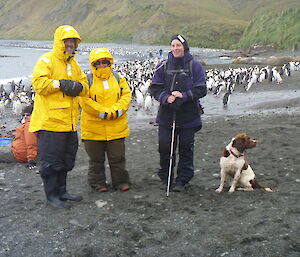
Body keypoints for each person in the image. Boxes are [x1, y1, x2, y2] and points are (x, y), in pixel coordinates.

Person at [29, 25, 89, 208]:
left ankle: (62, 192)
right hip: (50, 122)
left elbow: (85, 85)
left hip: (69, 123)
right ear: (59, 42)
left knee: (66, 160)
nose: (70, 44)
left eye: (73, 41)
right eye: (67, 40)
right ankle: (52, 196)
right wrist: (60, 84)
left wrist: (79, 87)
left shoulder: (74, 64)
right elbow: (38, 84)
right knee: (50, 162)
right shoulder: (46, 60)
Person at [150, 34, 207, 192]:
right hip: (166, 116)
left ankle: (183, 179)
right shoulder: (163, 65)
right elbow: (155, 88)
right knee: (164, 147)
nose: (175, 48)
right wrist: (166, 98)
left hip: (188, 116)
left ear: (184, 47)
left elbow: (201, 89)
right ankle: (166, 176)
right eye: (173, 45)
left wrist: (184, 95)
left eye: (178, 45)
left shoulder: (194, 66)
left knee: (186, 147)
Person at [79, 48, 131, 192]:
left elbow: (126, 96)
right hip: (93, 128)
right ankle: (98, 183)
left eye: (105, 62)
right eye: (98, 62)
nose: (102, 65)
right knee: (96, 160)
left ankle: (121, 182)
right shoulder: (86, 80)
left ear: (110, 62)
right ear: (93, 64)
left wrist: (117, 110)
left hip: (117, 127)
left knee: (118, 158)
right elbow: (84, 100)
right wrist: (104, 113)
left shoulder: (118, 78)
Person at [0, 105, 38, 170]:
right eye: (24, 115)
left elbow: (31, 143)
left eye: (28, 115)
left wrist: (31, 159)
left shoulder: (29, 125)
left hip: (18, 153)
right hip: (18, 149)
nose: (25, 117)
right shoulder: (33, 124)